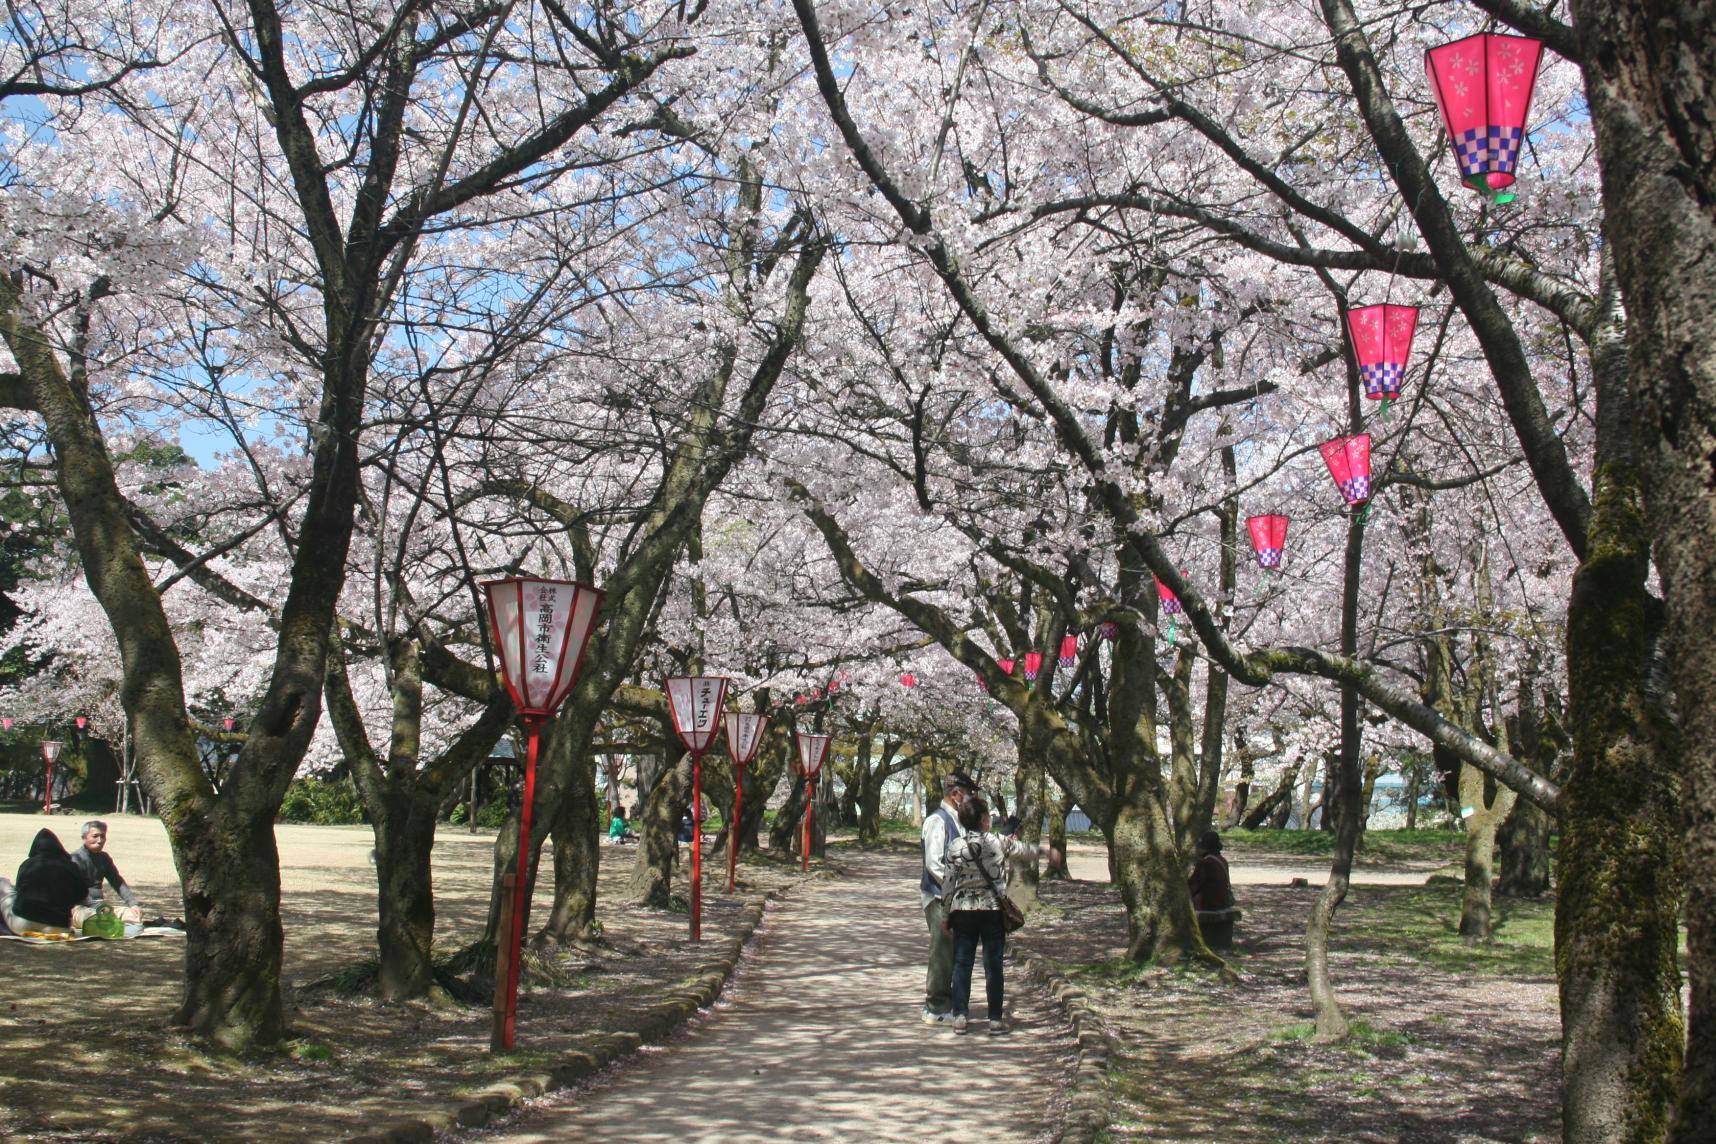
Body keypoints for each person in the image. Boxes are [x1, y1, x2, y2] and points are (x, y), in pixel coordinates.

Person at [941, 798, 1061, 1035]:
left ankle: (960, 1016)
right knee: (993, 964)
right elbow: (1025, 851)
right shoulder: (997, 842)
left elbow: (948, 883)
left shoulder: (955, 846)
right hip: (992, 909)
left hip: (963, 910)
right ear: (984, 819)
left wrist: (946, 915)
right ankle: (995, 1019)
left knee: (962, 963)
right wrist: (1048, 852)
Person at [919, 769, 975, 1024]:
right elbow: (934, 863)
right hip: (940, 896)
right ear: (955, 794)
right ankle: (936, 1007)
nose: (970, 799)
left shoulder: (960, 822)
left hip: (955, 896)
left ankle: (948, 1003)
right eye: (968, 794)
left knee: (953, 950)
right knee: (941, 950)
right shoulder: (937, 821)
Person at [4, 828, 85, 935]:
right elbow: (82, 894)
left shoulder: (28, 864)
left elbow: (19, 890)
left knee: (3, 883)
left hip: (22, 924)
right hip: (59, 927)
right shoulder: (72, 867)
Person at [69, 820, 143, 928]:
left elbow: (117, 882)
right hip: (79, 908)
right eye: (95, 836)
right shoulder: (75, 859)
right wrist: (97, 907)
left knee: (133, 915)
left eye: (102, 836)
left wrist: (133, 904)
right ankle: (108, 923)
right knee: (93, 917)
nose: (99, 840)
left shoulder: (104, 858)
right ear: (84, 838)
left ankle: (112, 923)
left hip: (100, 907)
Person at [1188, 829, 1234, 911]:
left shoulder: (1206, 862)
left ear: (1204, 847)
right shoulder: (1222, 860)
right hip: (1223, 903)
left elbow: (1193, 886)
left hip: (1209, 905)